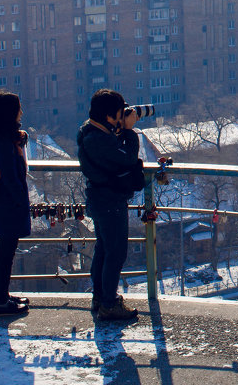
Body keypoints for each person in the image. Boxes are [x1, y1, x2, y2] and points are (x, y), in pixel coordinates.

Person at [77, 89, 145, 321]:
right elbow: (127, 158)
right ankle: (108, 303)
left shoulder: (91, 130)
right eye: (119, 112)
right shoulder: (97, 139)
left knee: (104, 250)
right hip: (109, 201)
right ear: (109, 116)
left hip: (101, 199)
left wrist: (119, 129)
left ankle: (100, 298)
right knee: (115, 252)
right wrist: (129, 132)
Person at [0, 90, 31, 317]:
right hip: (8, 204)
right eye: (18, 107)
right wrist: (22, 202)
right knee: (6, 253)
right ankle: (2, 302)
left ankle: (3, 295)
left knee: (3, 249)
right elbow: (10, 176)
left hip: (0, 203)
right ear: (10, 112)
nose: (21, 111)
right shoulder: (3, 142)